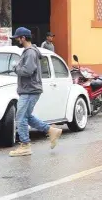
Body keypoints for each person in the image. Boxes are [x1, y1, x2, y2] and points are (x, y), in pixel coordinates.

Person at [9, 27, 62, 157]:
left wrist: (16, 68)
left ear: (23, 38)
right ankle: (51, 130)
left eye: (17, 38)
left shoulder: (30, 53)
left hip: (29, 90)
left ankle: (25, 145)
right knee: (27, 117)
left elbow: (28, 70)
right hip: (29, 89)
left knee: (20, 118)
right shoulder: (29, 51)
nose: (16, 40)